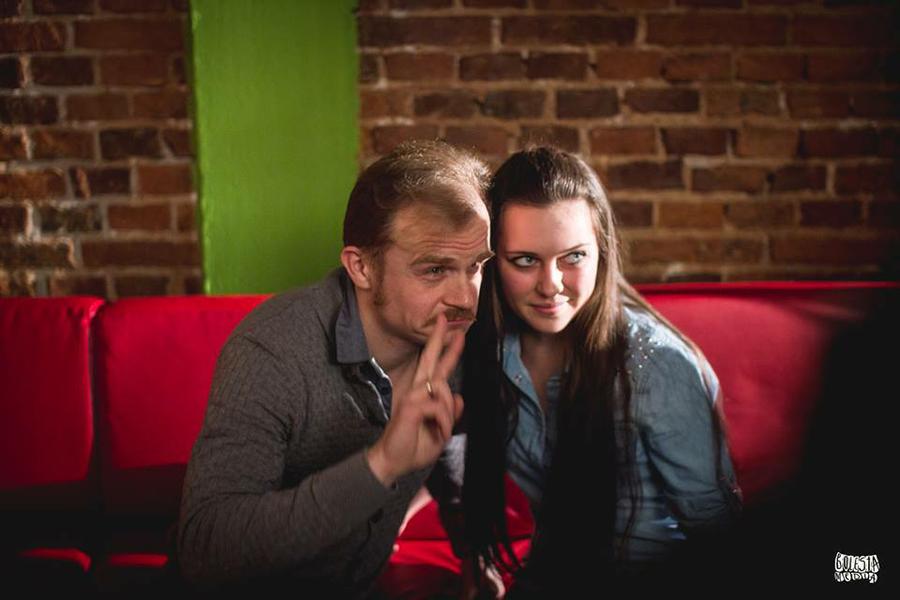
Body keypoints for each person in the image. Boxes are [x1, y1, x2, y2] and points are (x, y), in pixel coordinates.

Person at [177, 140, 494, 598]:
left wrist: (475, 554)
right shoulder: (271, 352)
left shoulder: (453, 337)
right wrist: (381, 464)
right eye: (434, 270)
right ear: (361, 267)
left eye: (476, 266)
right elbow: (204, 551)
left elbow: (450, 453)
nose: (465, 298)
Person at [461, 147, 742, 595]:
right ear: (494, 263)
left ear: (602, 253)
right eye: (525, 260)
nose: (551, 285)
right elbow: (447, 448)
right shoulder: (485, 350)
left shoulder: (658, 367)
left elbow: (717, 532)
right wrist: (474, 559)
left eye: (573, 257)